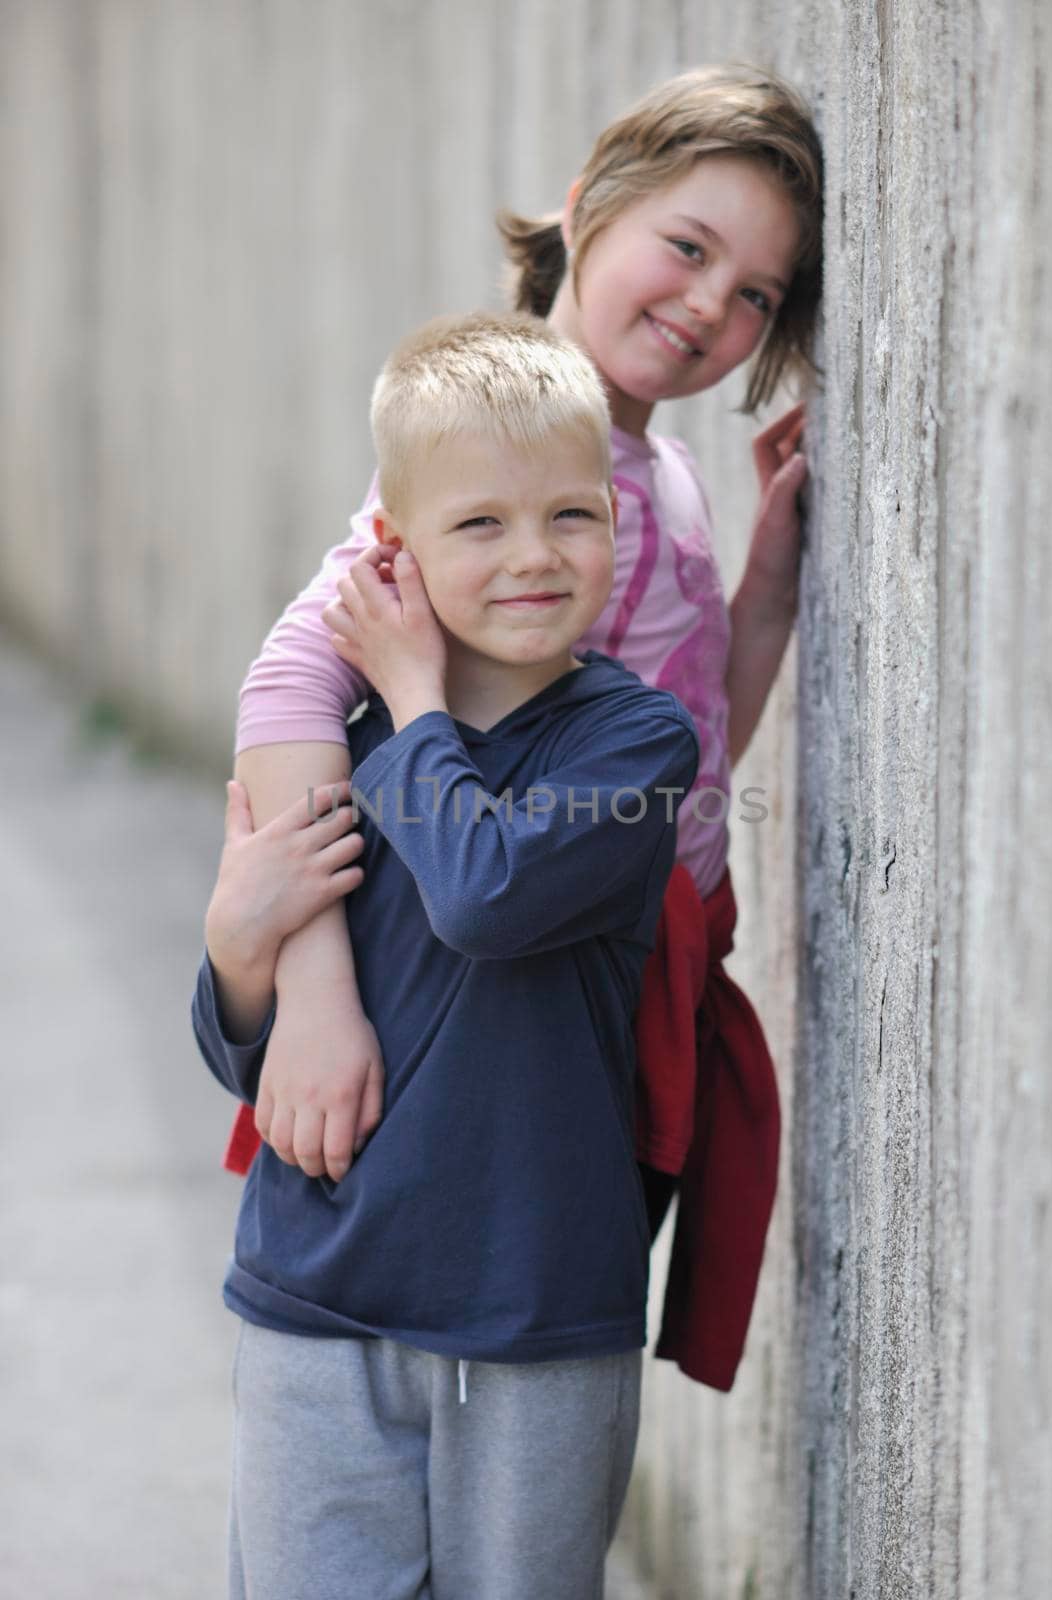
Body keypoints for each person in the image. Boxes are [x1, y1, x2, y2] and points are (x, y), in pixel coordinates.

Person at [222, 64, 824, 1389]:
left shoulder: (655, 473)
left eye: (757, 296)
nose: (709, 305)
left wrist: (764, 601)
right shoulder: (492, 450)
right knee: (480, 1336)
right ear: (586, 209)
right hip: (496, 955)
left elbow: (686, 739)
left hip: (618, 955)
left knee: (550, 1325)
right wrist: (317, 991)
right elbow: (291, 680)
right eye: (687, 246)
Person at [194, 311, 699, 1599]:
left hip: (531, 1309)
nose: (533, 557)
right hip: (318, 1293)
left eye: (571, 516)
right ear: (394, 550)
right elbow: (245, 1045)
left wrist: (416, 701)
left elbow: (484, 891)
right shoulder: (334, 744)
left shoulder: (633, 750)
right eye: (480, 524)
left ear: (616, 525)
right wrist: (238, 948)